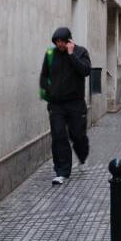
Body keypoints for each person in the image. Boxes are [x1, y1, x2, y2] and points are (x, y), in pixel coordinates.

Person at [39, 27, 91, 185]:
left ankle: (82, 157)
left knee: (78, 136)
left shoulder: (81, 52)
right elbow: (44, 76)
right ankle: (62, 172)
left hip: (76, 104)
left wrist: (71, 54)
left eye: (62, 41)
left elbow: (85, 71)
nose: (59, 44)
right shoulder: (50, 54)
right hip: (56, 105)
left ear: (68, 40)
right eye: (57, 42)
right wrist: (49, 94)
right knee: (59, 136)